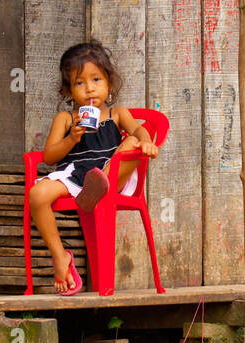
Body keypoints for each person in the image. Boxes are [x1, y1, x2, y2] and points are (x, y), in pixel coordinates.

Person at [30, 41, 159, 295]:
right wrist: (71, 138)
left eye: (96, 79)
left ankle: (99, 186)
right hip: (77, 175)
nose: (89, 88)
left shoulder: (117, 114)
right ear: (68, 90)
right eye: (80, 83)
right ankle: (60, 257)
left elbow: (139, 129)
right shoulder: (66, 119)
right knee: (37, 194)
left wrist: (145, 142)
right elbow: (48, 156)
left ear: (109, 84)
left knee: (130, 141)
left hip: (113, 174)